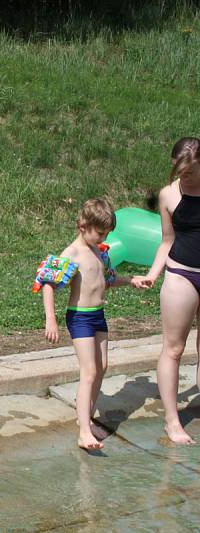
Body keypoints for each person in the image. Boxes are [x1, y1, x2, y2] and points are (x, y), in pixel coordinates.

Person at [38, 198, 138, 450]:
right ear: (83, 225)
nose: (103, 237)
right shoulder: (72, 253)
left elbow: (107, 281)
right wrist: (51, 319)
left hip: (98, 314)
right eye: (101, 232)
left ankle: (87, 416)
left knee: (102, 366)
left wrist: (131, 280)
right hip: (80, 316)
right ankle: (84, 432)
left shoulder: (99, 251)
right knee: (89, 371)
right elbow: (48, 285)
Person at [133, 138, 200, 445]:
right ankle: (172, 422)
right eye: (181, 171)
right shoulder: (168, 195)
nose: (185, 177)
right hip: (181, 274)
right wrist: (152, 273)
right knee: (173, 349)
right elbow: (166, 239)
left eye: (192, 171)